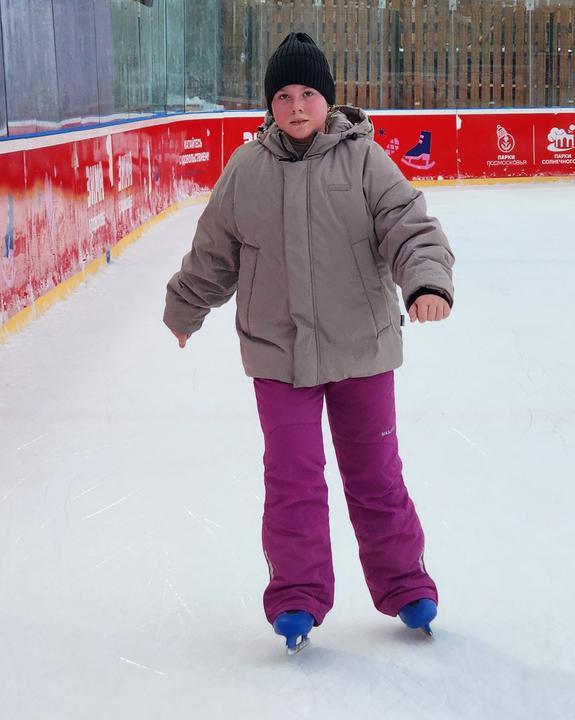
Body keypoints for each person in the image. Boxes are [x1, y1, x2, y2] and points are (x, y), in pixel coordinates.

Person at [163, 32, 454, 654]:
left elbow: (410, 226)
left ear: (329, 100)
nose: (296, 106)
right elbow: (214, 252)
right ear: (270, 104)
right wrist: (186, 306)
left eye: (309, 94)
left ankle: (405, 583)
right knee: (292, 478)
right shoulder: (246, 171)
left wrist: (426, 282)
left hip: (361, 348)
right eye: (284, 95)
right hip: (278, 352)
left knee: (376, 473)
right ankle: (296, 594)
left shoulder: (365, 160)